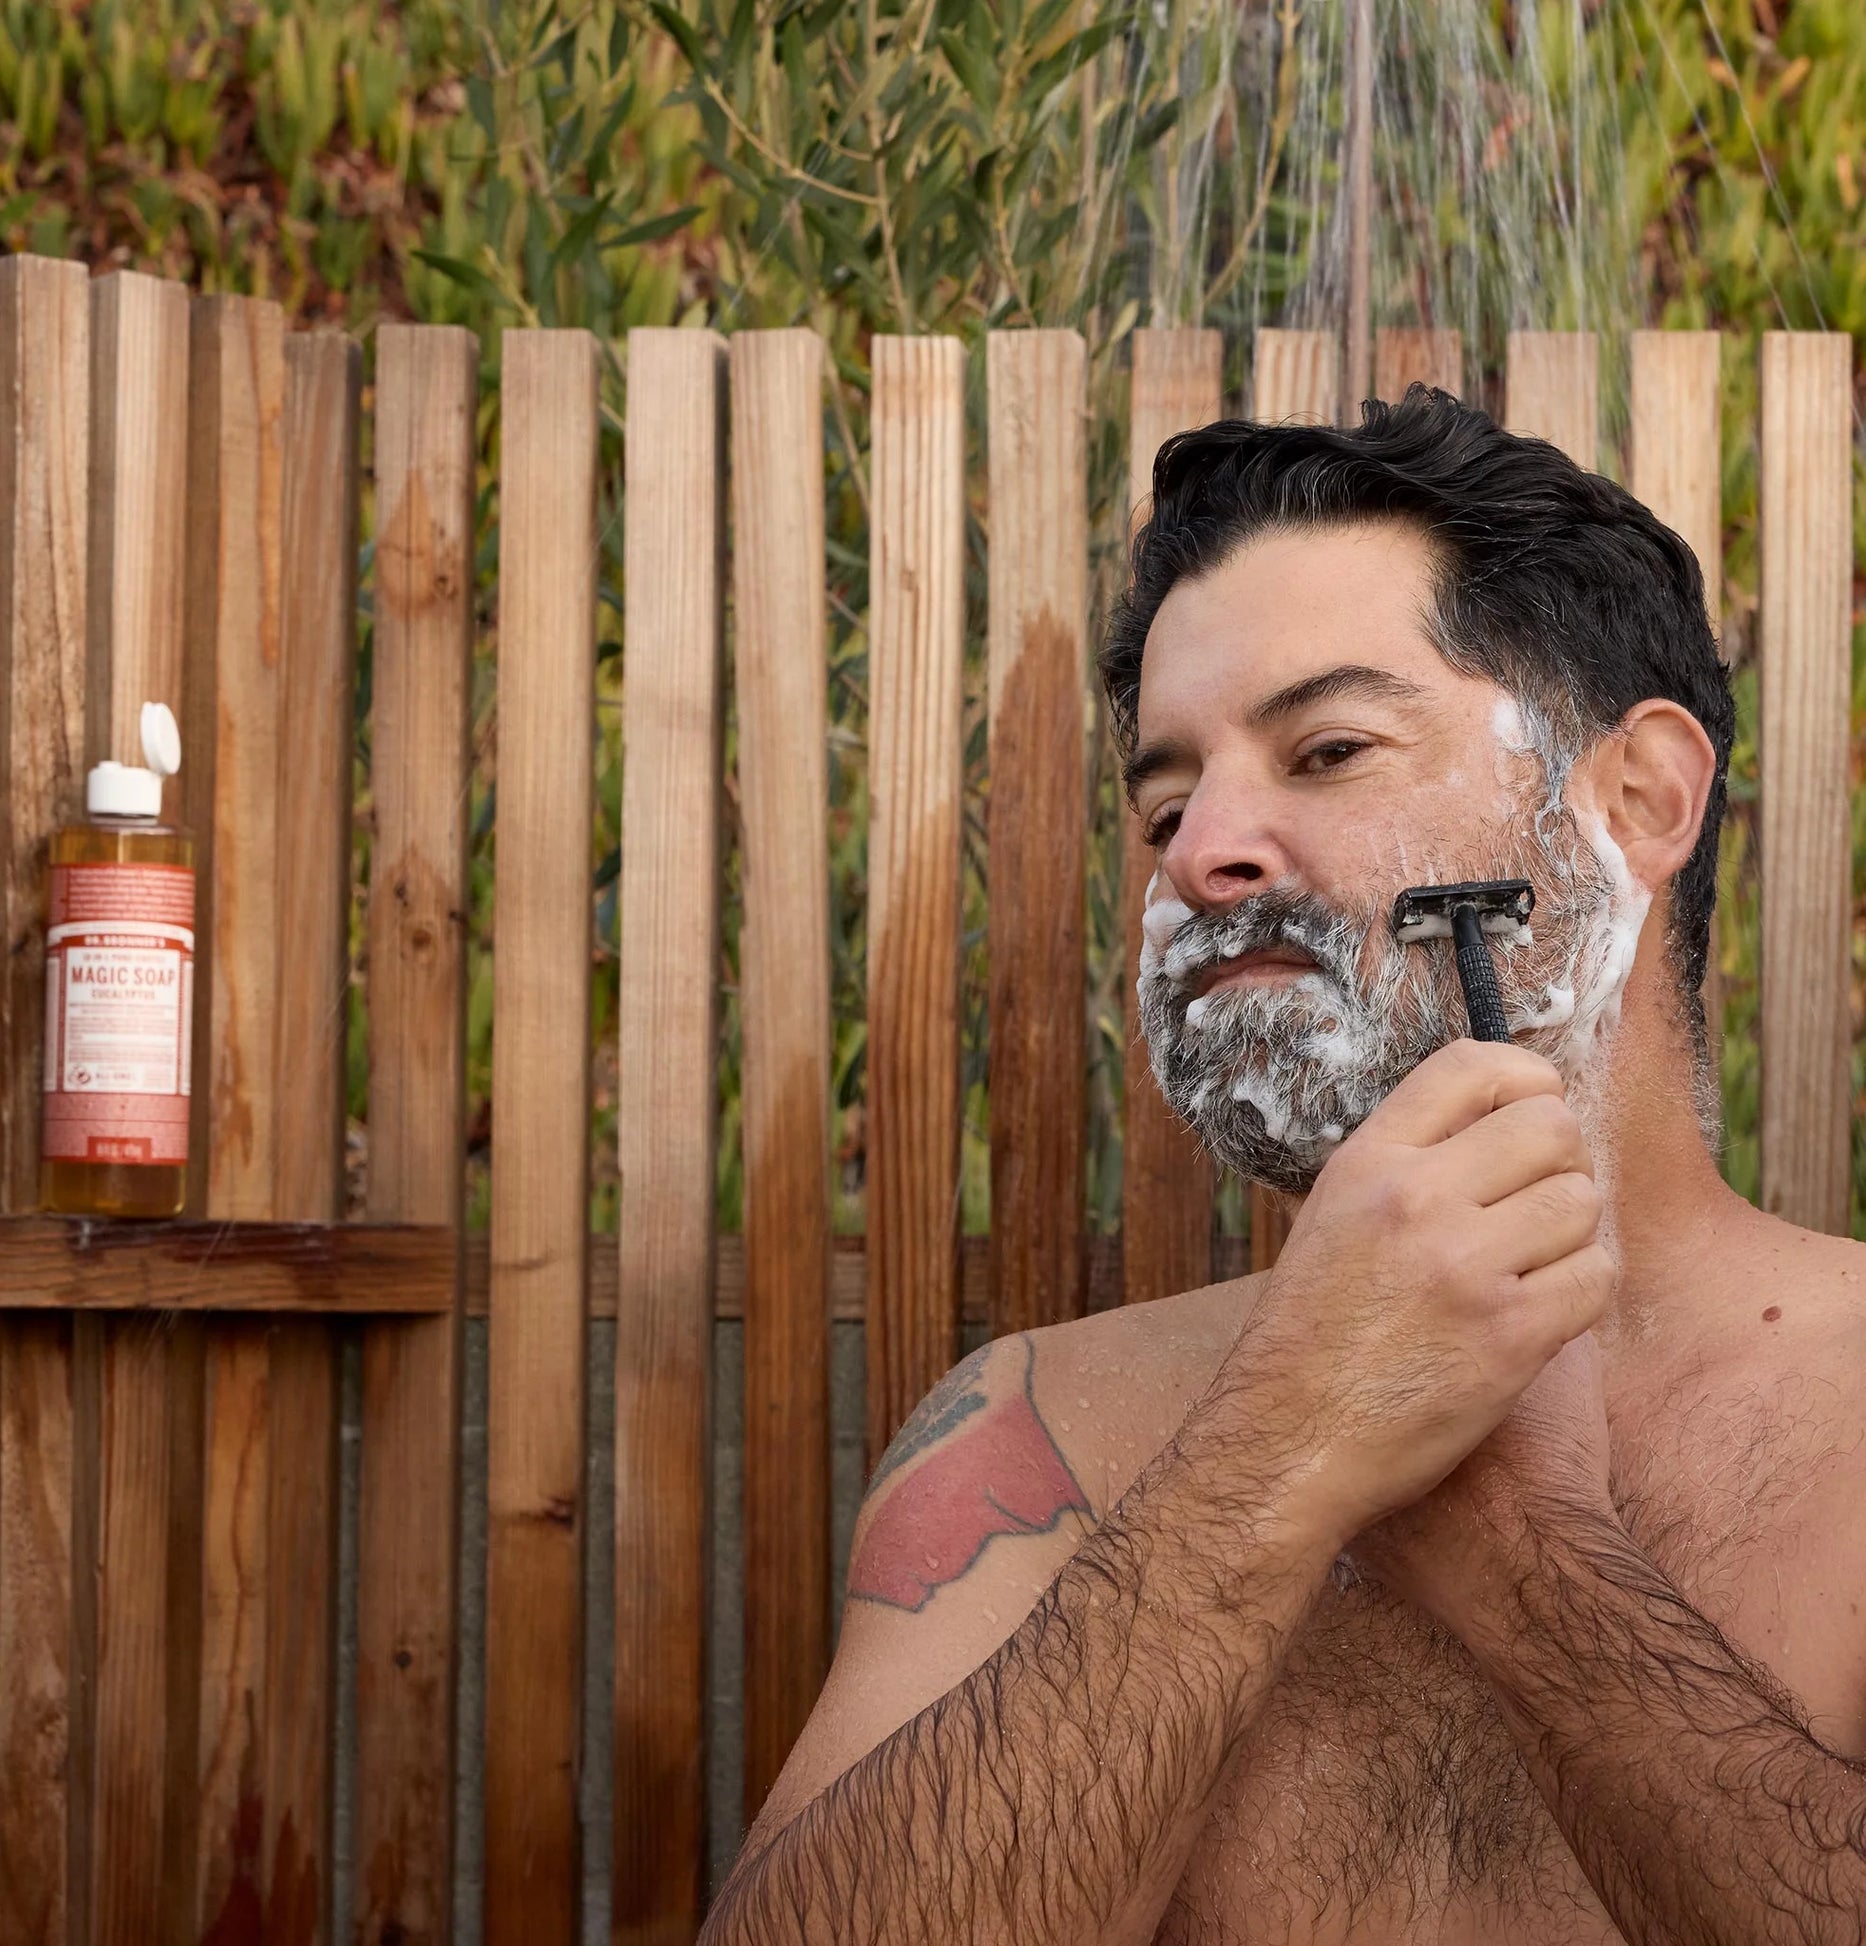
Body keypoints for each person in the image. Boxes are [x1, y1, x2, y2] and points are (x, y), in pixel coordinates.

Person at [701, 385, 1866, 1943]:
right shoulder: (1033, 1436)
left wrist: (1534, 1570)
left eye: (1325, 748)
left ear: (1636, 798)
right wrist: (1269, 1464)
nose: (1198, 852)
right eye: (1167, 801)